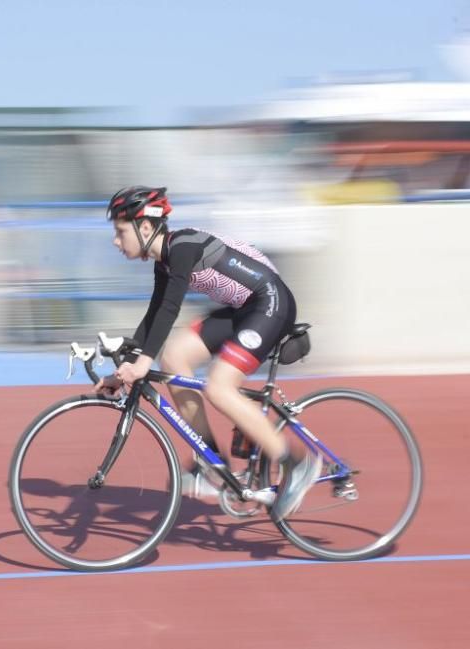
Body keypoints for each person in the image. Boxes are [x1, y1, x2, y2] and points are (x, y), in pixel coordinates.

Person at [92, 185, 321, 522]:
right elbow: (153, 318)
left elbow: (171, 308)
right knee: (173, 358)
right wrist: (125, 366)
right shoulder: (164, 262)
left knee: (219, 387)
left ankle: (297, 464)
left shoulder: (182, 246)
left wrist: (142, 363)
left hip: (271, 304)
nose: (115, 241)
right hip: (245, 310)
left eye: (120, 231)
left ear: (144, 228)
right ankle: (211, 460)